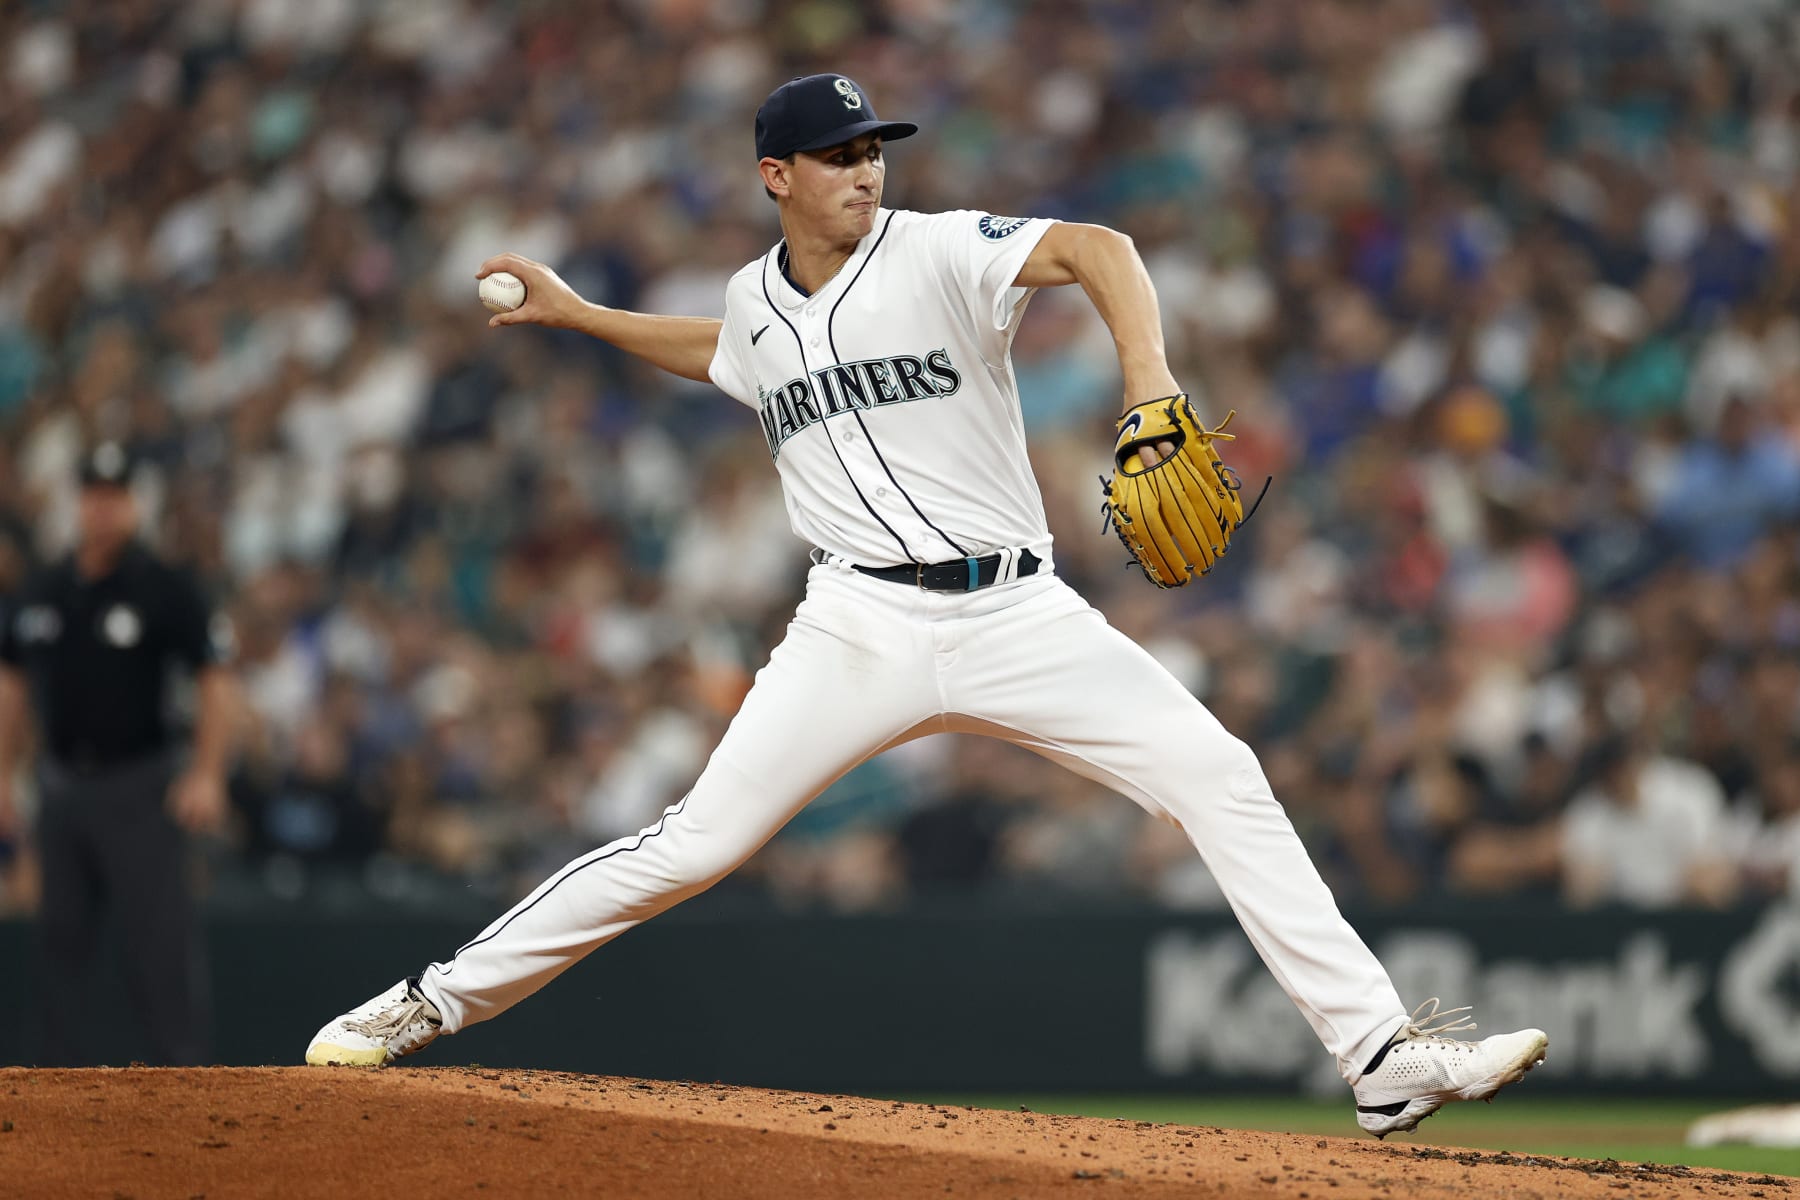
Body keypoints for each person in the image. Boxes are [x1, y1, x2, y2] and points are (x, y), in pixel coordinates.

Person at [305, 74, 1547, 1137]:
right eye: (838, 156)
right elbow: (725, 350)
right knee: (691, 847)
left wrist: (1148, 380)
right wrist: (580, 315)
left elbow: (1099, 250)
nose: (865, 171)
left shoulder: (943, 248)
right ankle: (429, 1002)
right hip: (858, 628)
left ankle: (1379, 1058)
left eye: (873, 151)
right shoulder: (754, 304)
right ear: (775, 176)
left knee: (1218, 774)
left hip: (1018, 613)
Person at [0, 442, 236, 1065]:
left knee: (158, 947)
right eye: (93, 495)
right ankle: (48, 1091)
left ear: (134, 504)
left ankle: (184, 1079)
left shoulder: (163, 586)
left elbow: (215, 678)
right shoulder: (45, 589)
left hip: (140, 788)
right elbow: (11, 684)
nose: (103, 509)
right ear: (77, 503)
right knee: (58, 946)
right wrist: (2, 777)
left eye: (115, 496)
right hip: (60, 789)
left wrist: (207, 773)